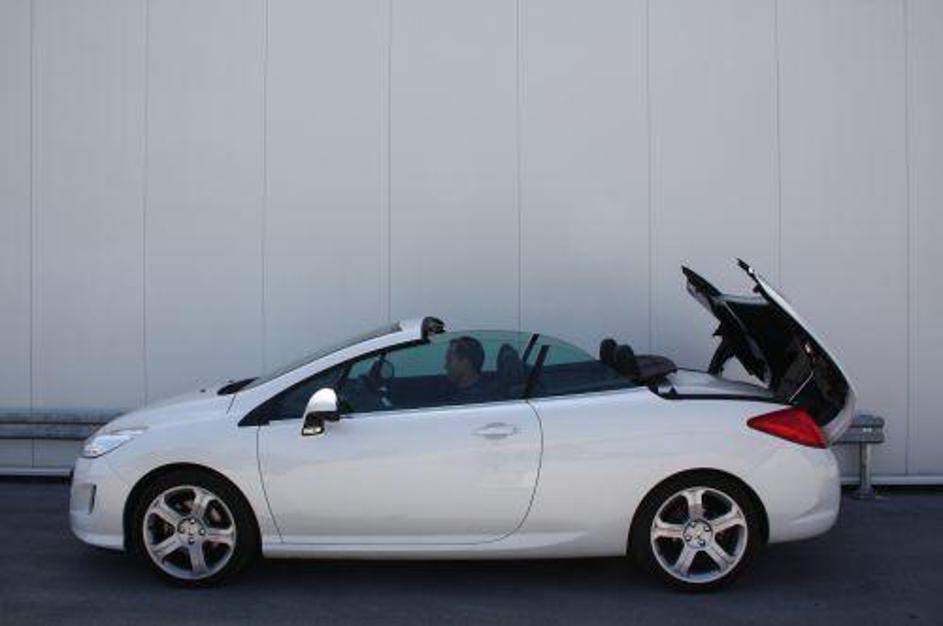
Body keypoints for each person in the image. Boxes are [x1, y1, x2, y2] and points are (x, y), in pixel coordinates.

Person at [444, 336, 488, 404]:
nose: (445, 366)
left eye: (449, 360)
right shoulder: (453, 390)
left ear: (465, 363)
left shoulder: (475, 399)